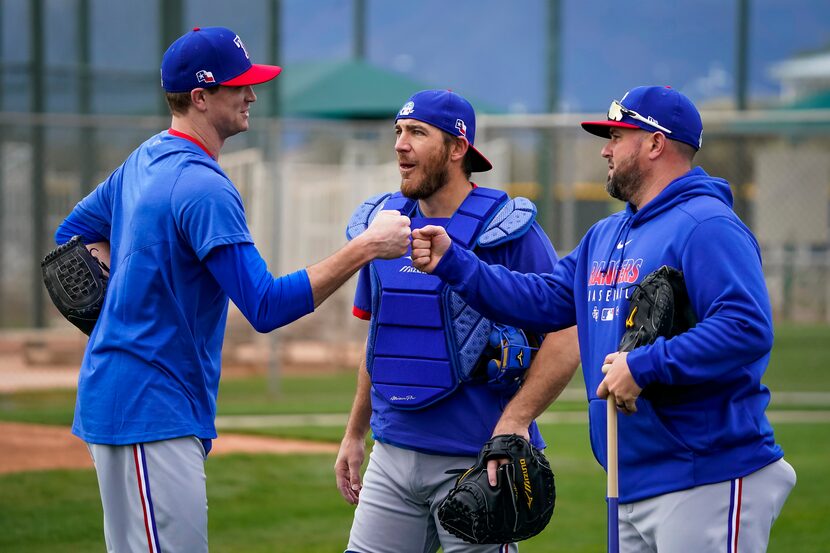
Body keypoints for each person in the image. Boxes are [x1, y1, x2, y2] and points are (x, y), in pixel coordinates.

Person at [52, 26, 411, 553]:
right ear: (200, 97)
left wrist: (126, 303)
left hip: (132, 400)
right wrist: (366, 248)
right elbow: (265, 305)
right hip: (150, 407)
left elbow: (72, 237)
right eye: (237, 84)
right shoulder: (203, 186)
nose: (251, 94)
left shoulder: (144, 160)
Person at [411, 86, 797, 552]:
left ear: (655, 144)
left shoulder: (706, 225)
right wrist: (455, 262)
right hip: (629, 476)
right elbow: (543, 298)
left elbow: (746, 325)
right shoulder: (606, 234)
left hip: (707, 474)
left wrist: (645, 365)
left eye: (617, 135)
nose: (605, 148)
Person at [334, 89, 581, 553]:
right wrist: (354, 432)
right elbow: (383, 336)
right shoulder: (384, 227)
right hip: (391, 454)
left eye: (418, 133)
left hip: (476, 462)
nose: (400, 145)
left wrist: (516, 422)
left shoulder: (506, 228)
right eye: (399, 132)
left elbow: (567, 334)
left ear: (457, 148)